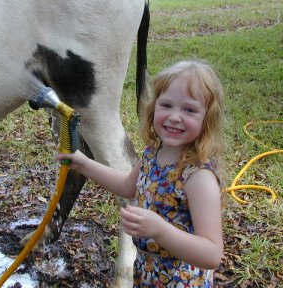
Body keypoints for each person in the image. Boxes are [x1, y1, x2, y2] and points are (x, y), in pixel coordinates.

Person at [58, 59, 225, 287]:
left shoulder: (198, 177)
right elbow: (127, 185)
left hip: (181, 281)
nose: (175, 116)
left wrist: (159, 230)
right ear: (153, 107)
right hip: (147, 271)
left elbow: (212, 254)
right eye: (166, 105)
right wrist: (83, 163)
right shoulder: (153, 152)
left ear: (207, 118)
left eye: (189, 109)